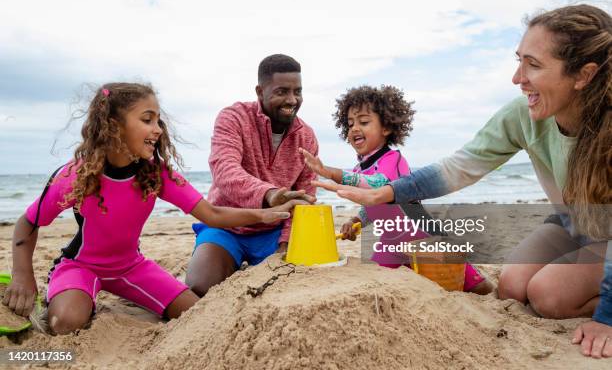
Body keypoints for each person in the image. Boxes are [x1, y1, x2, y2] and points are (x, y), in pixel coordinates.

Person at [313, 4, 612, 358]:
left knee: (548, 297)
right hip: (568, 223)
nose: (518, 78)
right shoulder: (523, 115)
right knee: (513, 288)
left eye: (533, 64)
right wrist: (389, 192)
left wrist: (606, 316)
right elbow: (461, 166)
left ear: (583, 75)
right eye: (518, 61)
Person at [2, 82, 297, 335]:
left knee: (194, 313)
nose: (157, 129)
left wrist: (264, 213)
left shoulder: (156, 174)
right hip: (81, 266)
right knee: (64, 322)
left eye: (158, 121)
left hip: (131, 267)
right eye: (147, 120)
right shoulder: (77, 175)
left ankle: (91, 299)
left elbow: (212, 214)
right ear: (114, 126)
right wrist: (22, 275)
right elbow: (29, 222)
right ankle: (78, 296)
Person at [299, 85, 492, 294]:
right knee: (376, 284)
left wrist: (331, 172)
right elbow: (372, 204)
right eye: (350, 123)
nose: (354, 128)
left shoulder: (394, 160)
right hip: (390, 245)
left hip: (424, 239)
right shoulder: (358, 170)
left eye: (363, 122)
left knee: (474, 286)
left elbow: (377, 186)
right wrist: (355, 221)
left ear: (387, 128)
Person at [185, 54, 318, 297]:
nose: (292, 100)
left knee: (292, 287)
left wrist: (285, 245)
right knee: (200, 288)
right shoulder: (233, 118)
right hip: (227, 226)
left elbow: (304, 199)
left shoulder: (306, 137)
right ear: (260, 91)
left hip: (274, 233)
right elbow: (224, 171)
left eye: (297, 91)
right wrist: (270, 194)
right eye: (282, 91)